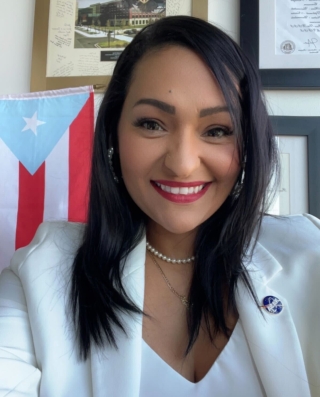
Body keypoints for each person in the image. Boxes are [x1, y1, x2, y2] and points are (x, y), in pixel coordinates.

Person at [0, 16, 319, 397]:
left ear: (248, 143)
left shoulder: (310, 252)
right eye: (152, 124)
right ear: (114, 134)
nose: (182, 164)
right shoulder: (39, 272)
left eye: (217, 130)